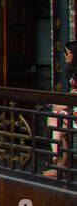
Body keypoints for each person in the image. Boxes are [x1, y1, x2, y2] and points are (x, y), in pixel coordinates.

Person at [45, 40, 77, 178]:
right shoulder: (73, 70)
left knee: (56, 120)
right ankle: (60, 164)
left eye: (67, 53)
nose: (65, 56)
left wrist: (64, 105)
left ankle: (59, 164)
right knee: (57, 123)